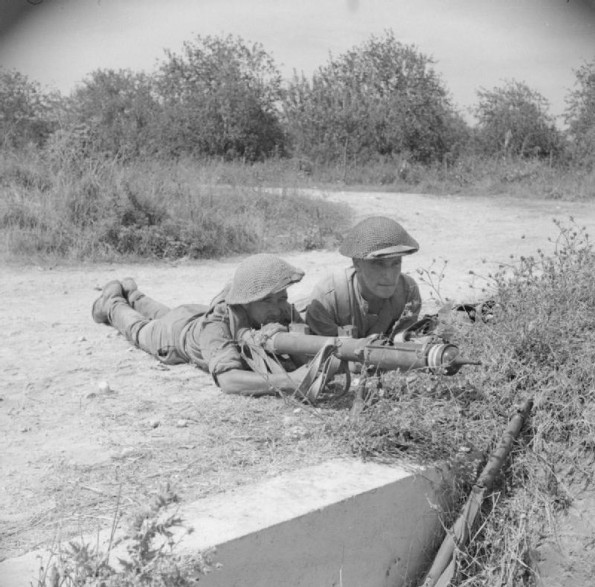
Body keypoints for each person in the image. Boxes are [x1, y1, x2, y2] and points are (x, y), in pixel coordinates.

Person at [91, 254, 311, 396]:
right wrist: (288, 382)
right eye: (267, 300)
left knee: (164, 312)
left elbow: (307, 352)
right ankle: (111, 302)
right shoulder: (217, 325)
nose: (278, 307)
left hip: (192, 314)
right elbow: (229, 380)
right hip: (172, 337)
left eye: (282, 297)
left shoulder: (280, 309)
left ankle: (133, 293)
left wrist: (292, 339)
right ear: (246, 302)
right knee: (137, 329)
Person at [301, 216, 422, 338]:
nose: (389, 275)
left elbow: (404, 342)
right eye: (378, 264)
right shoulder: (328, 299)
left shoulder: (408, 291)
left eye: (396, 263)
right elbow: (319, 353)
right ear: (357, 263)